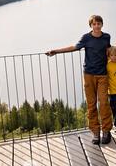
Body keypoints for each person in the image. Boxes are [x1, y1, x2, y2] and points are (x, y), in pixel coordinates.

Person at [46, 15, 112, 145]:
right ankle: (95, 132)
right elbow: (74, 47)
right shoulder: (86, 38)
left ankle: (106, 131)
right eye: (94, 24)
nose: (97, 26)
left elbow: (108, 50)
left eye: (99, 24)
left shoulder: (106, 37)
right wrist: (56, 51)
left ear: (102, 25)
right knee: (91, 104)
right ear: (91, 26)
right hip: (89, 75)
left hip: (103, 75)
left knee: (104, 103)